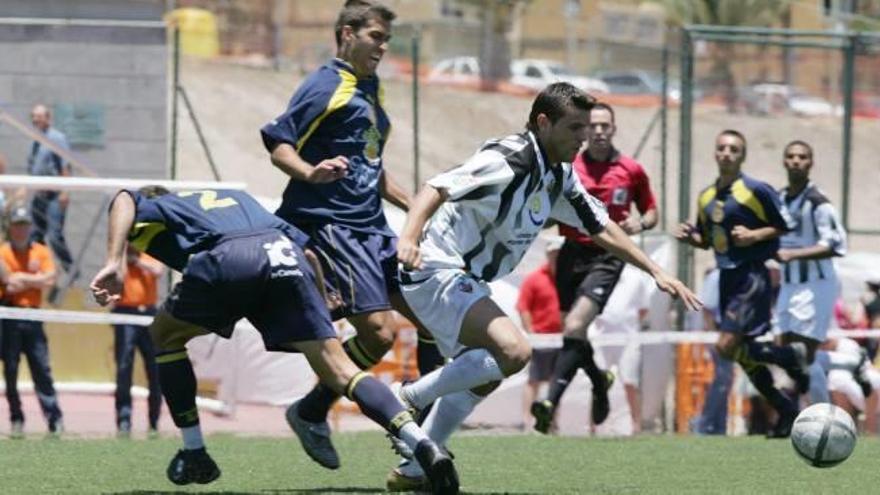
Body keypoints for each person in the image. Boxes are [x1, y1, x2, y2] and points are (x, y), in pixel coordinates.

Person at [386, 83, 701, 489]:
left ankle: (414, 469)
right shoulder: (509, 158)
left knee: (485, 373)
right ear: (543, 123)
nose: (583, 138)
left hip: (464, 278)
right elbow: (436, 187)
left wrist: (655, 270)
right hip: (435, 267)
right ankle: (406, 399)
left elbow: (600, 225)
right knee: (514, 350)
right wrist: (409, 238)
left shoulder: (560, 175)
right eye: (574, 128)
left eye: (586, 129)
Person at [89, 187, 458, 494]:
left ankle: (194, 451)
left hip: (229, 256)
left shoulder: (164, 205)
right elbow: (309, 251)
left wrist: (115, 259)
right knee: (339, 369)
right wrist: (318, 293)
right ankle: (422, 444)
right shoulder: (231, 196)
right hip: (285, 255)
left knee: (163, 336)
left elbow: (123, 198)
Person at [260, 1, 446, 468]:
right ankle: (335, 417)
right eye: (376, 37)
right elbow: (279, 142)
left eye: (386, 39)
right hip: (332, 227)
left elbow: (370, 165)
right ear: (347, 33)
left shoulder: (370, 86)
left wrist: (417, 205)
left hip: (372, 227)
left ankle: (414, 428)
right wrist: (309, 171)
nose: (383, 46)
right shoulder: (326, 84)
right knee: (380, 333)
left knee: (431, 319)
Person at [531, 102, 659, 433]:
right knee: (573, 332)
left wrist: (639, 224)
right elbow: (548, 208)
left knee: (574, 325)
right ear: (585, 130)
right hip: (571, 253)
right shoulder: (568, 167)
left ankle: (551, 401)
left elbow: (651, 212)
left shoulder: (631, 170)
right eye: (594, 125)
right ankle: (599, 381)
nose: (599, 131)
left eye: (605, 125)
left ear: (614, 129)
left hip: (607, 256)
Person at [675, 129, 804, 438]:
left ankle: (788, 357)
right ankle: (785, 408)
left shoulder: (756, 190)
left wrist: (755, 235)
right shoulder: (706, 196)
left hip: (751, 275)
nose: (727, 153)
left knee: (726, 346)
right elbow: (710, 240)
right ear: (715, 153)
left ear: (742, 155)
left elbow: (786, 224)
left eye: (733, 149)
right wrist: (692, 237)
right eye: (722, 148)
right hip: (727, 278)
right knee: (741, 354)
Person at [774, 140, 848, 405]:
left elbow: (837, 244)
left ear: (810, 163)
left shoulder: (818, 202)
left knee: (802, 356)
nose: (796, 161)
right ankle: (848, 366)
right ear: (784, 161)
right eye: (791, 156)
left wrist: (794, 254)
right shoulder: (779, 199)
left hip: (815, 285)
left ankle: (824, 416)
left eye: (802, 157)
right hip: (788, 284)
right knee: (783, 352)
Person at [0, 204, 63, 437]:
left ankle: (54, 418)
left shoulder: (41, 251)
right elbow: (8, 283)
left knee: (42, 368)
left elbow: (50, 279)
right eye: (17, 226)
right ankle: (16, 417)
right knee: (11, 370)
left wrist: (22, 279)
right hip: (9, 316)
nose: (21, 230)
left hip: (33, 315)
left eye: (24, 226)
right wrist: (34, 278)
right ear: (11, 227)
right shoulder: (3, 252)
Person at [111, 245, 164, 437]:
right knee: (124, 367)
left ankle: (154, 420)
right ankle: (124, 419)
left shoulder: (151, 251)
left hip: (148, 313)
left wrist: (137, 261)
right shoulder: (117, 253)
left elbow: (158, 270)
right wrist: (124, 256)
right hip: (125, 313)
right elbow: (115, 279)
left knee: (155, 368)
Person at [516, 237, 563, 431]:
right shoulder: (535, 278)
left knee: (557, 383)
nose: (557, 257)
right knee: (533, 381)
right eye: (554, 253)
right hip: (540, 340)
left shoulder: (568, 278)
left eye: (560, 253)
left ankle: (553, 422)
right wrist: (531, 332)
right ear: (548, 254)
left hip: (561, 341)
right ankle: (527, 421)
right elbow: (523, 307)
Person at [27, 104, 74, 274]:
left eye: (39, 116)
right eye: (33, 116)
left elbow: (65, 164)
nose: (35, 119)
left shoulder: (56, 137)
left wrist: (65, 191)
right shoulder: (35, 140)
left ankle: (72, 272)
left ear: (48, 118)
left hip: (54, 195)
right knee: (35, 235)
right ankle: (41, 271)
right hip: (39, 196)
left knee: (54, 236)